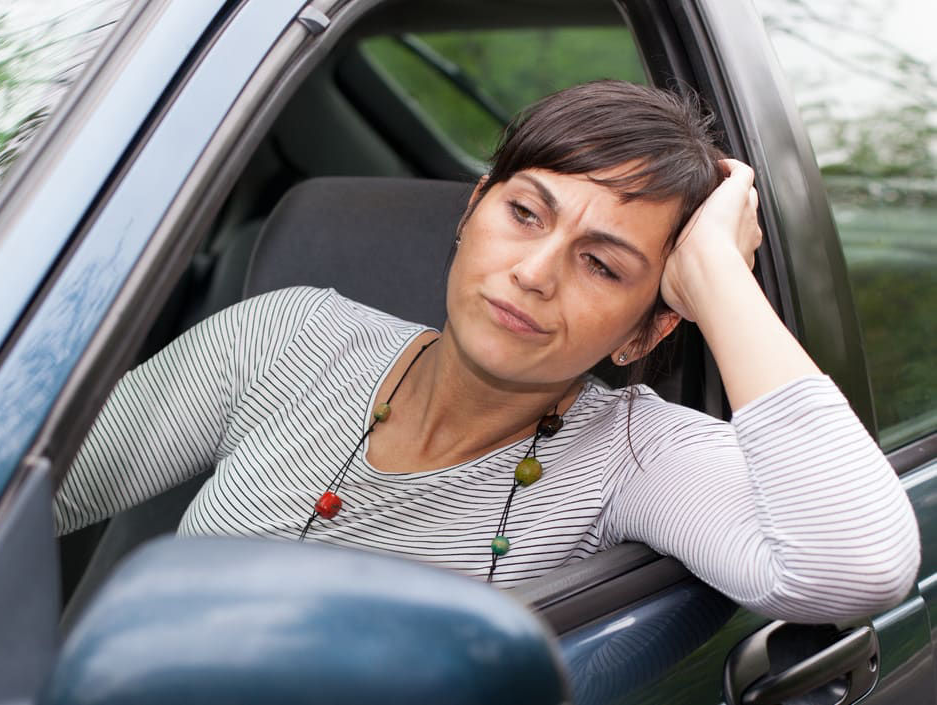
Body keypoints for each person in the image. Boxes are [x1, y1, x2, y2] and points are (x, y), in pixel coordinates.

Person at [53, 80, 919, 623]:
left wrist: (720, 279)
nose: (535, 272)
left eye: (602, 263)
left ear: (646, 330)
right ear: (472, 210)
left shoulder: (630, 454)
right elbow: (18, 491)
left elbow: (857, 564)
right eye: (524, 213)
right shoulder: (290, 335)